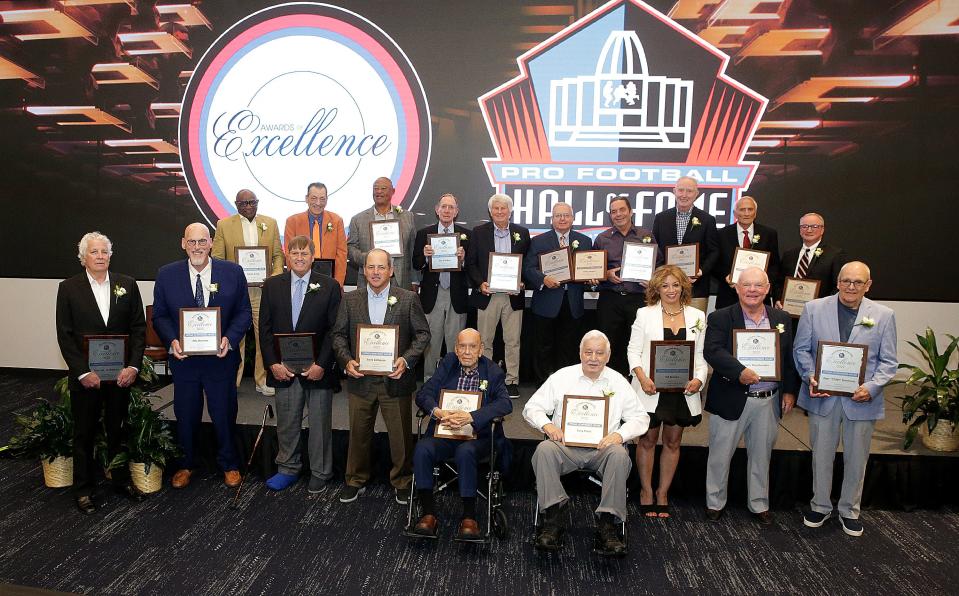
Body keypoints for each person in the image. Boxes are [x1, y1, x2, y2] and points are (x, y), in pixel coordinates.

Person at [794, 261, 897, 537]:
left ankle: (850, 510)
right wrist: (809, 376)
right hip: (823, 397)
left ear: (868, 285)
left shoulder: (884, 315)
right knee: (821, 455)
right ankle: (820, 506)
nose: (851, 287)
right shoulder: (813, 309)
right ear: (837, 282)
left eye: (858, 282)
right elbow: (801, 349)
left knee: (857, 458)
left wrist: (872, 387)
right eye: (846, 281)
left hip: (862, 400)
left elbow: (888, 363)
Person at [524, 330, 649, 556]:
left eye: (599, 353)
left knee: (620, 455)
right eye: (588, 352)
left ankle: (608, 524)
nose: (593, 358)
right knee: (543, 450)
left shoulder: (618, 382)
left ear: (608, 356)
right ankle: (554, 517)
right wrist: (548, 425)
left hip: (604, 449)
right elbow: (531, 408)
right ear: (580, 353)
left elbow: (641, 418)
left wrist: (619, 436)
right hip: (566, 447)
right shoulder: (562, 377)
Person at [152, 223, 252, 489]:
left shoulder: (232, 272)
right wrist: (172, 340)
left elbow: (244, 312)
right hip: (184, 361)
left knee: (224, 412)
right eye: (192, 242)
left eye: (202, 241)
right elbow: (159, 315)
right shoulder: (166, 275)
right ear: (183, 243)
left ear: (211, 243)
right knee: (185, 414)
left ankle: (229, 464)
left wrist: (229, 339)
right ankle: (186, 463)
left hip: (221, 359)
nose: (197, 247)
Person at [55, 232, 147, 514]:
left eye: (104, 252)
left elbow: (138, 330)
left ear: (110, 255)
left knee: (117, 430)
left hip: (120, 377)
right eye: (94, 252)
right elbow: (65, 336)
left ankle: (120, 481)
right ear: (83, 257)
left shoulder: (127, 285)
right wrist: (83, 373)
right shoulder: (68, 288)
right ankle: (83, 489)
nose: (100, 257)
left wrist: (132, 367)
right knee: (84, 433)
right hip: (87, 380)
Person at [331, 248, 430, 505]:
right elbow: (339, 335)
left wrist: (406, 360)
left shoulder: (407, 298)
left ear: (391, 270)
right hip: (360, 378)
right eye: (371, 267)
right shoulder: (351, 300)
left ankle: (402, 481)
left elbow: (422, 334)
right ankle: (355, 479)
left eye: (381, 267)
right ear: (363, 271)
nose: (375, 272)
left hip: (395, 379)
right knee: (358, 434)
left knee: (400, 437)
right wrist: (346, 360)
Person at [703, 266, 799, 524]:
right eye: (747, 285)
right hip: (731, 396)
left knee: (761, 455)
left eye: (758, 285)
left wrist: (789, 390)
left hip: (768, 399)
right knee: (720, 455)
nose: (752, 290)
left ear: (767, 289)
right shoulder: (720, 317)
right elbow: (712, 351)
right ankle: (715, 502)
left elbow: (788, 357)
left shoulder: (781, 318)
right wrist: (740, 371)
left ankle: (759, 504)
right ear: (736, 287)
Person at [409, 329, 513, 540]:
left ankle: (469, 517)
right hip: (445, 435)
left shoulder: (492, 372)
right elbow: (424, 394)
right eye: (462, 347)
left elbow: (505, 403)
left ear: (481, 349)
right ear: (456, 349)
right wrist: (437, 412)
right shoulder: (447, 365)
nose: (467, 352)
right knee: (422, 448)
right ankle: (428, 514)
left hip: (478, 437)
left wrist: (472, 416)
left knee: (466, 451)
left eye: (472, 346)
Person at [258, 235, 342, 494]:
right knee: (287, 420)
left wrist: (322, 365)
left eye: (304, 253)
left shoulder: (329, 286)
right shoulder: (272, 286)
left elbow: (334, 331)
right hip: (283, 368)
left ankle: (320, 471)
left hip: (317, 369)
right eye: (294, 253)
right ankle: (288, 467)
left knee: (319, 422)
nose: (299, 257)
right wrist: (272, 364)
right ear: (287, 256)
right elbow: (265, 329)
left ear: (313, 256)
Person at [626, 265, 707, 518]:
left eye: (675, 285)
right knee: (647, 440)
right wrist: (642, 378)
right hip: (650, 389)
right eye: (665, 286)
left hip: (682, 391)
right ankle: (646, 491)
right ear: (656, 289)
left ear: (683, 286)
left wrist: (699, 380)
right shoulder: (644, 314)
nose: (671, 290)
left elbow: (702, 357)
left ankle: (663, 492)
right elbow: (633, 351)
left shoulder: (698, 316)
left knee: (673, 442)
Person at [211, 189, 284, 396]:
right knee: (235, 337)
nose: (248, 206)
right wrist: (230, 281)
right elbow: (217, 258)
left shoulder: (270, 223)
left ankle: (262, 380)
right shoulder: (223, 225)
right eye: (243, 203)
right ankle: (232, 381)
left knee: (264, 337)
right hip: (236, 293)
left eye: (252, 202)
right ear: (236, 204)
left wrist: (275, 276)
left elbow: (278, 255)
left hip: (263, 292)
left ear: (258, 202)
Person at [464, 193, 530, 398]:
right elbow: (471, 263)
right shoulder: (479, 232)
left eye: (503, 208)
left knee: (513, 341)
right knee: (484, 341)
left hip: (513, 296)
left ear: (510, 211)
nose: (500, 212)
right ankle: (486, 379)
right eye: (496, 209)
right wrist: (479, 283)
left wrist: (522, 281)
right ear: (490, 212)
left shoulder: (522, 232)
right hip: (487, 295)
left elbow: (527, 264)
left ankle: (511, 380)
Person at [522, 202, 593, 384]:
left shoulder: (585, 241)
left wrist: (592, 278)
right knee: (543, 347)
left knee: (569, 347)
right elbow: (528, 268)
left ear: (573, 218)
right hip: (546, 302)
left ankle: (566, 384)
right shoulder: (538, 241)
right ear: (551, 219)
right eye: (558, 215)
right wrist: (543, 278)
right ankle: (544, 385)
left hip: (573, 302)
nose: (562, 219)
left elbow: (589, 268)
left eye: (566, 215)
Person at [593, 195, 660, 377]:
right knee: (607, 343)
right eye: (614, 212)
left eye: (622, 210)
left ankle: (636, 383)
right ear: (610, 215)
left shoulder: (646, 236)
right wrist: (606, 274)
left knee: (637, 343)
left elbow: (659, 266)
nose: (618, 214)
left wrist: (652, 279)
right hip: (610, 299)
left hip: (638, 299)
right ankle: (608, 382)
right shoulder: (602, 238)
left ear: (630, 212)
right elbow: (594, 269)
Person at [412, 193, 469, 379]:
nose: (447, 210)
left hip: (456, 295)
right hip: (432, 296)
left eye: (451, 207)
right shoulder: (424, 234)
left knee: (456, 341)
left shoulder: (467, 235)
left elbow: (475, 264)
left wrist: (464, 258)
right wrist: (426, 256)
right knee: (432, 342)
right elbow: (416, 263)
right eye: (443, 207)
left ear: (457, 212)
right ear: (437, 210)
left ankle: (455, 381)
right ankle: (430, 381)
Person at [651, 176, 719, 313]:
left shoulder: (707, 220)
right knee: (666, 329)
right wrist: (662, 274)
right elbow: (655, 250)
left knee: (695, 330)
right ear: (674, 191)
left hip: (696, 288)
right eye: (681, 190)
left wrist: (701, 271)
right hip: (666, 288)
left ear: (696, 194)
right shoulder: (661, 218)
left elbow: (714, 251)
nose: (684, 195)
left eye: (689, 191)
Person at [346, 177, 417, 290]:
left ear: (393, 191)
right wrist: (367, 258)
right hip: (369, 280)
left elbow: (413, 250)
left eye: (383, 188)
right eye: (376, 188)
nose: (379, 191)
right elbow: (350, 248)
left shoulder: (408, 217)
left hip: (401, 280)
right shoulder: (358, 219)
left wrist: (415, 279)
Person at [715, 196, 781, 309]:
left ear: (755, 213)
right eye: (742, 209)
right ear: (735, 213)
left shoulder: (769, 234)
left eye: (750, 209)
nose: (746, 213)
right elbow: (715, 264)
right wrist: (726, 276)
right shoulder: (721, 234)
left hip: (759, 298)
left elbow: (775, 265)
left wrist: (763, 281)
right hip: (729, 298)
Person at [283, 182, 348, 288]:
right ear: (306, 199)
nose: (318, 203)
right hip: (300, 279)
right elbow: (289, 254)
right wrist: (295, 281)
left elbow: (342, 254)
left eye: (322, 199)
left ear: (327, 200)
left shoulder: (336, 221)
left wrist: (338, 284)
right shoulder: (292, 221)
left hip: (329, 280)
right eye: (314, 198)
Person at [776, 212, 848, 305]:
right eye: (804, 226)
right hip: (789, 311)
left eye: (814, 226)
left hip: (820, 312)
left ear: (822, 230)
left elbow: (838, 286)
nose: (809, 230)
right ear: (800, 229)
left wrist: (826, 306)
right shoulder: (789, 254)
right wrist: (778, 299)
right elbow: (779, 282)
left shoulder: (835, 254)